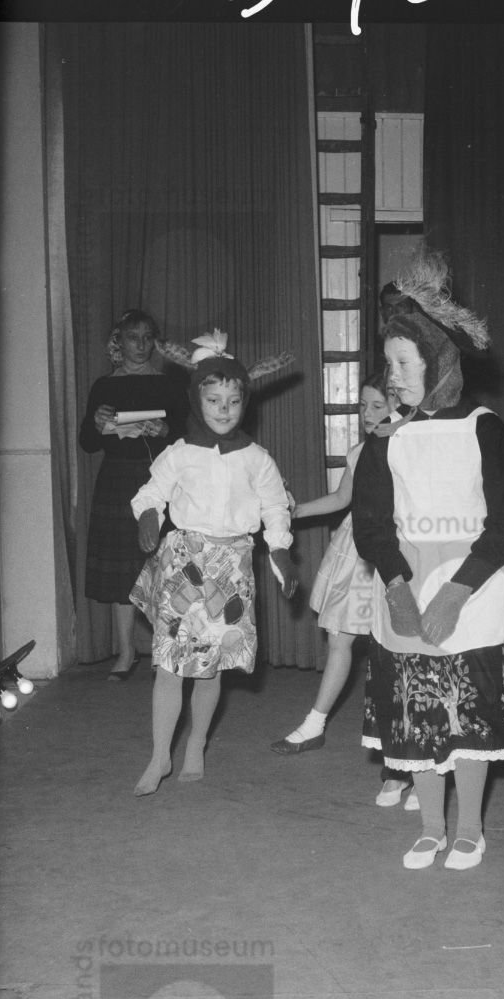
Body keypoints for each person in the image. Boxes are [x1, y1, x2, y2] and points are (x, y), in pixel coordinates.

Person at [353, 247, 504, 871]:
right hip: (408, 585)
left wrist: (456, 594)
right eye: (389, 363)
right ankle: (430, 826)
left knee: (467, 714)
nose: (394, 375)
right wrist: (397, 589)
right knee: (418, 713)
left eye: (404, 363)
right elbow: (371, 525)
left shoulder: (484, 429)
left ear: (437, 360)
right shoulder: (387, 439)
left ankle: (469, 829)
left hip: (475, 586)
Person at [128, 331, 298, 796]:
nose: (224, 409)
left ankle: (197, 743)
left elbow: (275, 508)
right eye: (213, 400)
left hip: (231, 566)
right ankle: (160, 754)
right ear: (195, 399)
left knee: (209, 666)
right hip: (186, 562)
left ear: (245, 402)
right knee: (169, 663)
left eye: (233, 401)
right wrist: (149, 515)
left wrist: (281, 552)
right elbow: (150, 492)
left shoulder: (257, 459)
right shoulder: (180, 453)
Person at [270, 375, 420, 809]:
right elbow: (341, 500)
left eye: (378, 406)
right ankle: (314, 724)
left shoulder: (413, 447)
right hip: (358, 550)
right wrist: (292, 511)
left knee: (401, 656)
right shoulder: (360, 451)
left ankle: (412, 767)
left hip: (399, 548)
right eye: (363, 406)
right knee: (341, 639)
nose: (368, 415)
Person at [78, 309, 188, 680]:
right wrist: (96, 423)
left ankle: (166, 650)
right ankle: (126, 653)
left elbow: (189, 438)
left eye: (147, 338)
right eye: (132, 337)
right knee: (119, 571)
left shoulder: (169, 384)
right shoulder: (103, 386)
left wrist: (166, 431)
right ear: (118, 342)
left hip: (160, 479)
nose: (140, 345)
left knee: (163, 567)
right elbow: (87, 443)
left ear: (154, 342)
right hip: (116, 480)